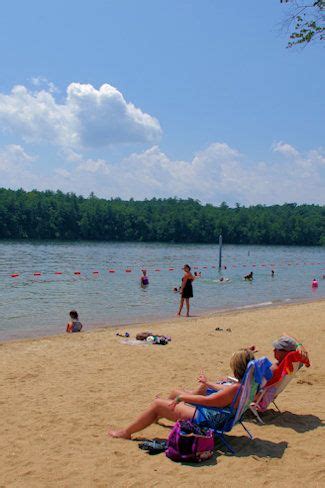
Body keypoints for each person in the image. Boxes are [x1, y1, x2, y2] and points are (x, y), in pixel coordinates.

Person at [108, 350, 254, 439]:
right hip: (221, 418)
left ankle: (126, 432)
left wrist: (182, 398)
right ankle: (156, 415)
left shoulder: (235, 389)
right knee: (174, 393)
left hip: (205, 420)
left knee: (158, 404)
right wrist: (207, 384)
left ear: (236, 369)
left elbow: (206, 402)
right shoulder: (248, 385)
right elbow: (222, 395)